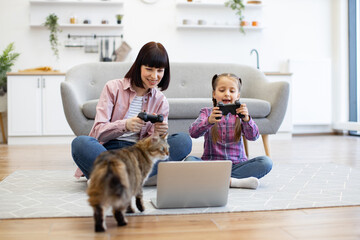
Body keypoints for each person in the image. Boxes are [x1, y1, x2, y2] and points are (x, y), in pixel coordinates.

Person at [71, 42, 192, 185]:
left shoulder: (161, 100)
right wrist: (125, 125)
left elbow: (152, 147)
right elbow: (98, 132)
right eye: (149, 69)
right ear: (138, 66)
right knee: (80, 143)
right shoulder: (113, 88)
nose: (155, 76)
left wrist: (158, 135)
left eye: (160, 70)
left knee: (183, 141)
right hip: (108, 151)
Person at [186, 73, 272, 189]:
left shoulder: (240, 115)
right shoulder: (206, 112)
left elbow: (253, 137)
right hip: (211, 164)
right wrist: (209, 121)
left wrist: (247, 120)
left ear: (238, 96)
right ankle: (234, 181)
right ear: (214, 94)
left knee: (266, 162)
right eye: (222, 90)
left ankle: (214, 180)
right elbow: (193, 133)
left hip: (237, 165)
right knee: (190, 161)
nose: (227, 94)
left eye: (232, 91)